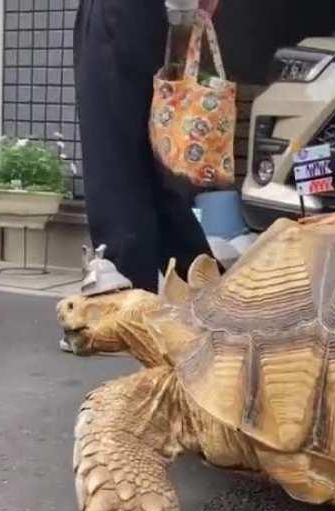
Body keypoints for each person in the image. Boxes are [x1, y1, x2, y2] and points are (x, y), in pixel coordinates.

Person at [73, 0, 220, 294]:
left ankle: (129, 308)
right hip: (151, 19)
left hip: (119, 16)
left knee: (114, 160)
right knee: (151, 166)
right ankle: (209, 298)